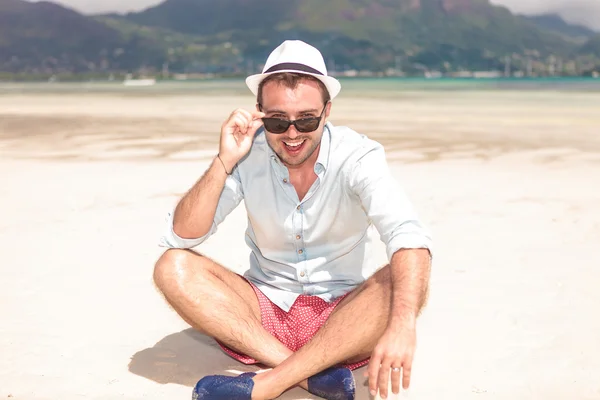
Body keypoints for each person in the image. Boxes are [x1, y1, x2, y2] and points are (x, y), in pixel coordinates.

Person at [154, 40, 433, 400]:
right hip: (262, 312)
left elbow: (408, 235)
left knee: (406, 274)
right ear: (259, 113)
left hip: (342, 317)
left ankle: (269, 383)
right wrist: (223, 162)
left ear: (327, 111)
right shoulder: (247, 155)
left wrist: (402, 324)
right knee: (171, 266)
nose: (292, 133)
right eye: (277, 120)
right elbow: (183, 236)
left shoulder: (359, 156)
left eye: (306, 119)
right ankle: (308, 374)